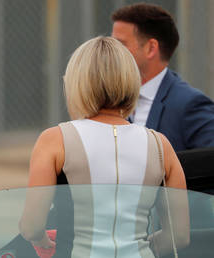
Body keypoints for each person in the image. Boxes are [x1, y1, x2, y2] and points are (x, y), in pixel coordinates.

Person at [19, 37, 189, 257]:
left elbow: (31, 226)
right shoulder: (160, 145)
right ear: (131, 80)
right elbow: (180, 236)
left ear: (76, 83)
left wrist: (44, 242)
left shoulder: (54, 140)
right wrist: (143, 248)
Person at [111, 3, 214, 152]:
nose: (111, 52)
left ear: (151, 48)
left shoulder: (190, 105)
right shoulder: (108, 98)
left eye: (120, 44)